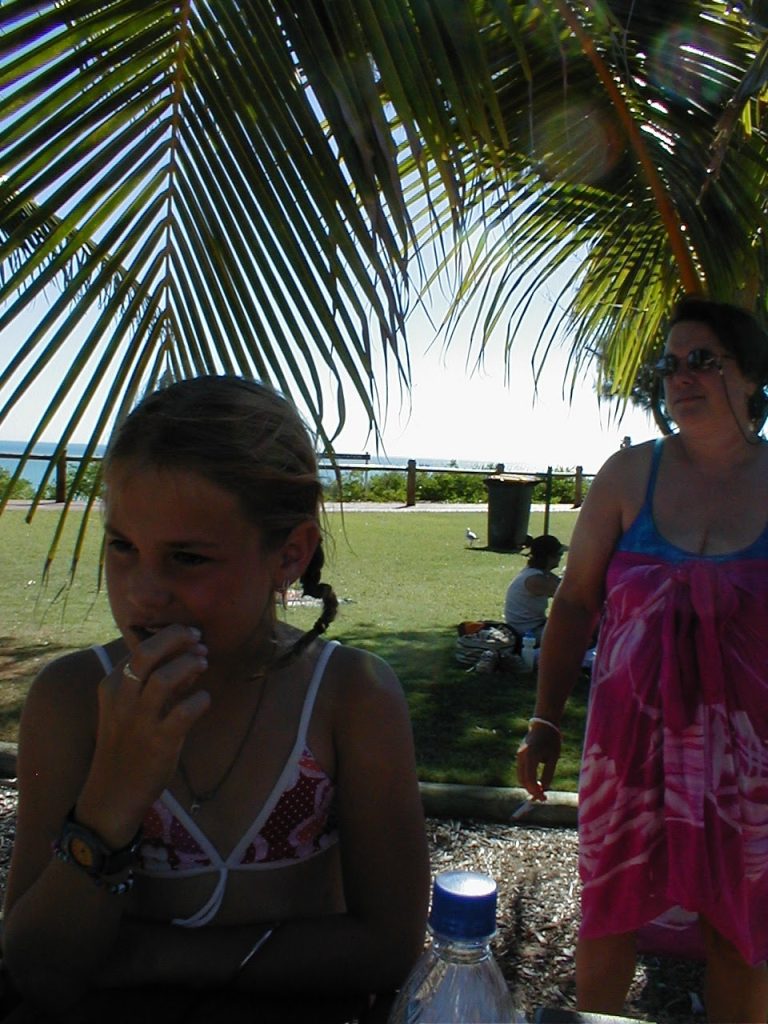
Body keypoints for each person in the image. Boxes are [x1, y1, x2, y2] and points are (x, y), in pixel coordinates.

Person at [1, 376, 430, 1022]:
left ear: (290, 555)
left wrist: (152, 956)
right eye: (122, 546)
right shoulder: (71, 702)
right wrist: (110, 800)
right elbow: (38, 970)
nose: (143, 592)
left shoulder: (350, 698)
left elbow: (388, 946)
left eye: (187, 558)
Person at [516, 296, 768, 1023]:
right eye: (670, 363)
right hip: (626, 748)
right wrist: (545, 720)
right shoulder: (629, 476)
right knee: (608, 917)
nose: (681, 376)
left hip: (747, 763)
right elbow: (573, 604)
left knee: (740, 935)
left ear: (751, 375)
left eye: (703, 360)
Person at [503, 534, 565, 643]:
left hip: (533, 626)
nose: (561, 558)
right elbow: (571, 594)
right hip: (527, 633)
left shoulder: (536, 573)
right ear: (550, 557)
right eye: (560, 554)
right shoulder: (536, 579)